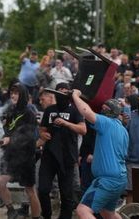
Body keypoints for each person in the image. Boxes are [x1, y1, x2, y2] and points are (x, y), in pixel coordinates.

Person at [71, 91, 128, 219]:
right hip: (120, 179)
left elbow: (86, 111)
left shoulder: (106, 123)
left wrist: (75, 96)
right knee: (107, 213)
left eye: (104, 109)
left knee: (82, 211)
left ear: (110, 112)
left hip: (107, 180)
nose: (101, 110)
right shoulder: (123, 130)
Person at [38, 83, 86, 219]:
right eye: (59, 93)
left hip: (67, 157)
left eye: (65, 93)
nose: (62, 96)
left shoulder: (75, 111)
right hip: (49, 155)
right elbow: (41, 129)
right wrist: (42, 134)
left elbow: (83, 130)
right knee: (43, 189)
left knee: (66, 195)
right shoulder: (49, 110)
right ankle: (46, 215)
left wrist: (66, 123)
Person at [0, 84, 41, 219]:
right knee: (1, 182)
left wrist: (11, 139)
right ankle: (11, 211)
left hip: (26, 157)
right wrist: (4, 135)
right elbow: (8, 130)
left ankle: (36, 217)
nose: (12, 95)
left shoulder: (29, 114)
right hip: (11, 156)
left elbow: (29, 136)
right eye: (11, 93)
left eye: (16, 93)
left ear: (22, 95)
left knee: (30, 190)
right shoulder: (11, 110)